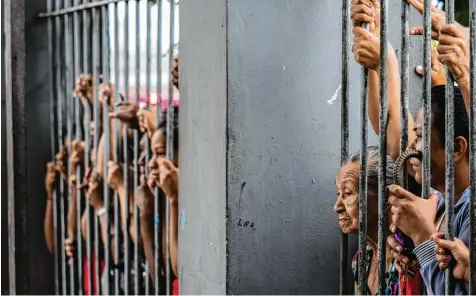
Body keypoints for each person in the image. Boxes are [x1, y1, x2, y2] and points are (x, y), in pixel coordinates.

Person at [351, 1, 471, 294]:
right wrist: (381, 54)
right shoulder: (438, 200)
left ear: (457, 148)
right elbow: (391, 124)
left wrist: (423, 237)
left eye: (420, 136)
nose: (411, 146)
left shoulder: (468, 207)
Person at [334, 146, 421, 295]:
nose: (337, 207)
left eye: (348, 193)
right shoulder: (361, 260)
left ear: (387, 198)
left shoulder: (410, 260)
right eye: (338, 194)